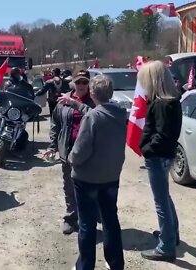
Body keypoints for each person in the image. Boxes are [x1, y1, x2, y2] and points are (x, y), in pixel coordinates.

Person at [68, 75, 126, 270]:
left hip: (87, 179)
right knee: (111, 221)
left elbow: (80, 151)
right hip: (111, 176)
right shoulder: (121, 114)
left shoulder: (92, 117)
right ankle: (116, 264)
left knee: (87, 225)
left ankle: (85, 266)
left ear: (92, 93)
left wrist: (71, 159)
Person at [138, 61, 182, 262]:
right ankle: (171, 234)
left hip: (158, 157)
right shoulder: (171, 100)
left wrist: (146, 149)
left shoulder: (162, 104)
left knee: (161, 202)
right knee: (165, 197)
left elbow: (161, 135)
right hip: (164, 155)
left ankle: (166, 246)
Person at [43, 70, 95, 234]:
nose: (81, 86)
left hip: (88, 153)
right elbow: (55, 124)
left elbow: (98, 117)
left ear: (89, 84)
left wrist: (76, 103)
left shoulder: (94, 101)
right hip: (68, 149)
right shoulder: (62, 101)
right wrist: (52, 146)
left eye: (84, 82)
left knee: (88, 187)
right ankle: (71, 218)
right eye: (78, 82)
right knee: (69, 186)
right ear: (73, 83)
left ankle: (88, 219)